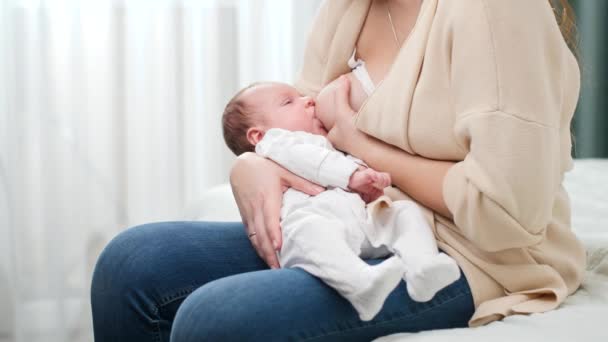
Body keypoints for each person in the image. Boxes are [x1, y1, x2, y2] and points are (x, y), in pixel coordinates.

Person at [90, 0, 586, 341]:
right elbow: (300, 122)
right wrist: (252, 166)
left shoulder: (495, 12)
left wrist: (357, 143)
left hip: (477, 253)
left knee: (214, 319)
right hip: (357, 216)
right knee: (131, 263)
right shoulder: (350, 9)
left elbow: (505, 211)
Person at [220, 80, 461, 320]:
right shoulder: (276, 144)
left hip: (358, 226)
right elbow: (311, 161)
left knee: (402, 212)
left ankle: (423, 266)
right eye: (288, 102)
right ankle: (361, 284)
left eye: (302, 96)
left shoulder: (326, 145)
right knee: (310, 229)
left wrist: (369, 187)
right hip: (315, 229)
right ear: (257, 135)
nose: (308, 100)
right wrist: (354, 176)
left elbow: (338, 164)